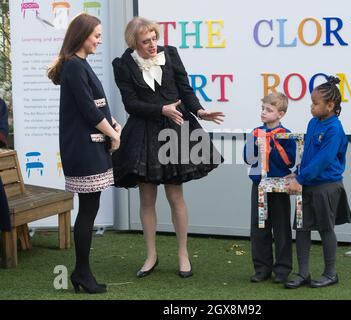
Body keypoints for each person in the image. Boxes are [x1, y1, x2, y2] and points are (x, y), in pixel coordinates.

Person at [112, 17, 224, 278]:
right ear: (134, 43)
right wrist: (160, 109)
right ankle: (151, 255)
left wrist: (199, 110)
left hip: (175, 129)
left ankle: (183, 254)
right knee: (147, 198)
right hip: (143, 132)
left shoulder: (171, 55)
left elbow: (185, 89)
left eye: (154, 38)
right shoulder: (123, 64)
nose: (152, 45)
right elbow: (130, 104)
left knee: (175, 196)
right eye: (145, 41)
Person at [47, 13, 121, 294]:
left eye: (101, 36)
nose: (99, 41)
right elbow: (89, 111)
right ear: (82, 35)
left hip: (91, 146)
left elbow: (96, 105)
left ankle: (82, 272)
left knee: (90, 209)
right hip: (84, 149)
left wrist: (114, 125)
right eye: (96, 36)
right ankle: (81, 272)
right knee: (88, 210)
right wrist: (113, 134)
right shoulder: (74, 67)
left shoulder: (78, 65)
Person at [285, 76, 351, 289]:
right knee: (302, 228)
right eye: (311, 103)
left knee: (325, 229)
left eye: (315, 104)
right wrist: (297, 173)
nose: (311, 107)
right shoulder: (313, 123)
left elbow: (324, 160)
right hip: (307, 183)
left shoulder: (335, 129)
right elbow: (309, 154)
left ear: (330, 106)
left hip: (326, 186)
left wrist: (301, 179)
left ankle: (330, 273)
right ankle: (303, 273)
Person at [243, 92, 296, 284]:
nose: (263, 113)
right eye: (263, 109)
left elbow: (289, 161)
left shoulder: (286, 135)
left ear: (280, 114)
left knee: (281, 228)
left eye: (269, 110)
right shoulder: (255, 133)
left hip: (279, 186)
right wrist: (257, 146)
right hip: (259, 186)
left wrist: (274, 146)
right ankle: (262, 268)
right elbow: (248, 159)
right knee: (259, 228)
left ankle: (282, 269)